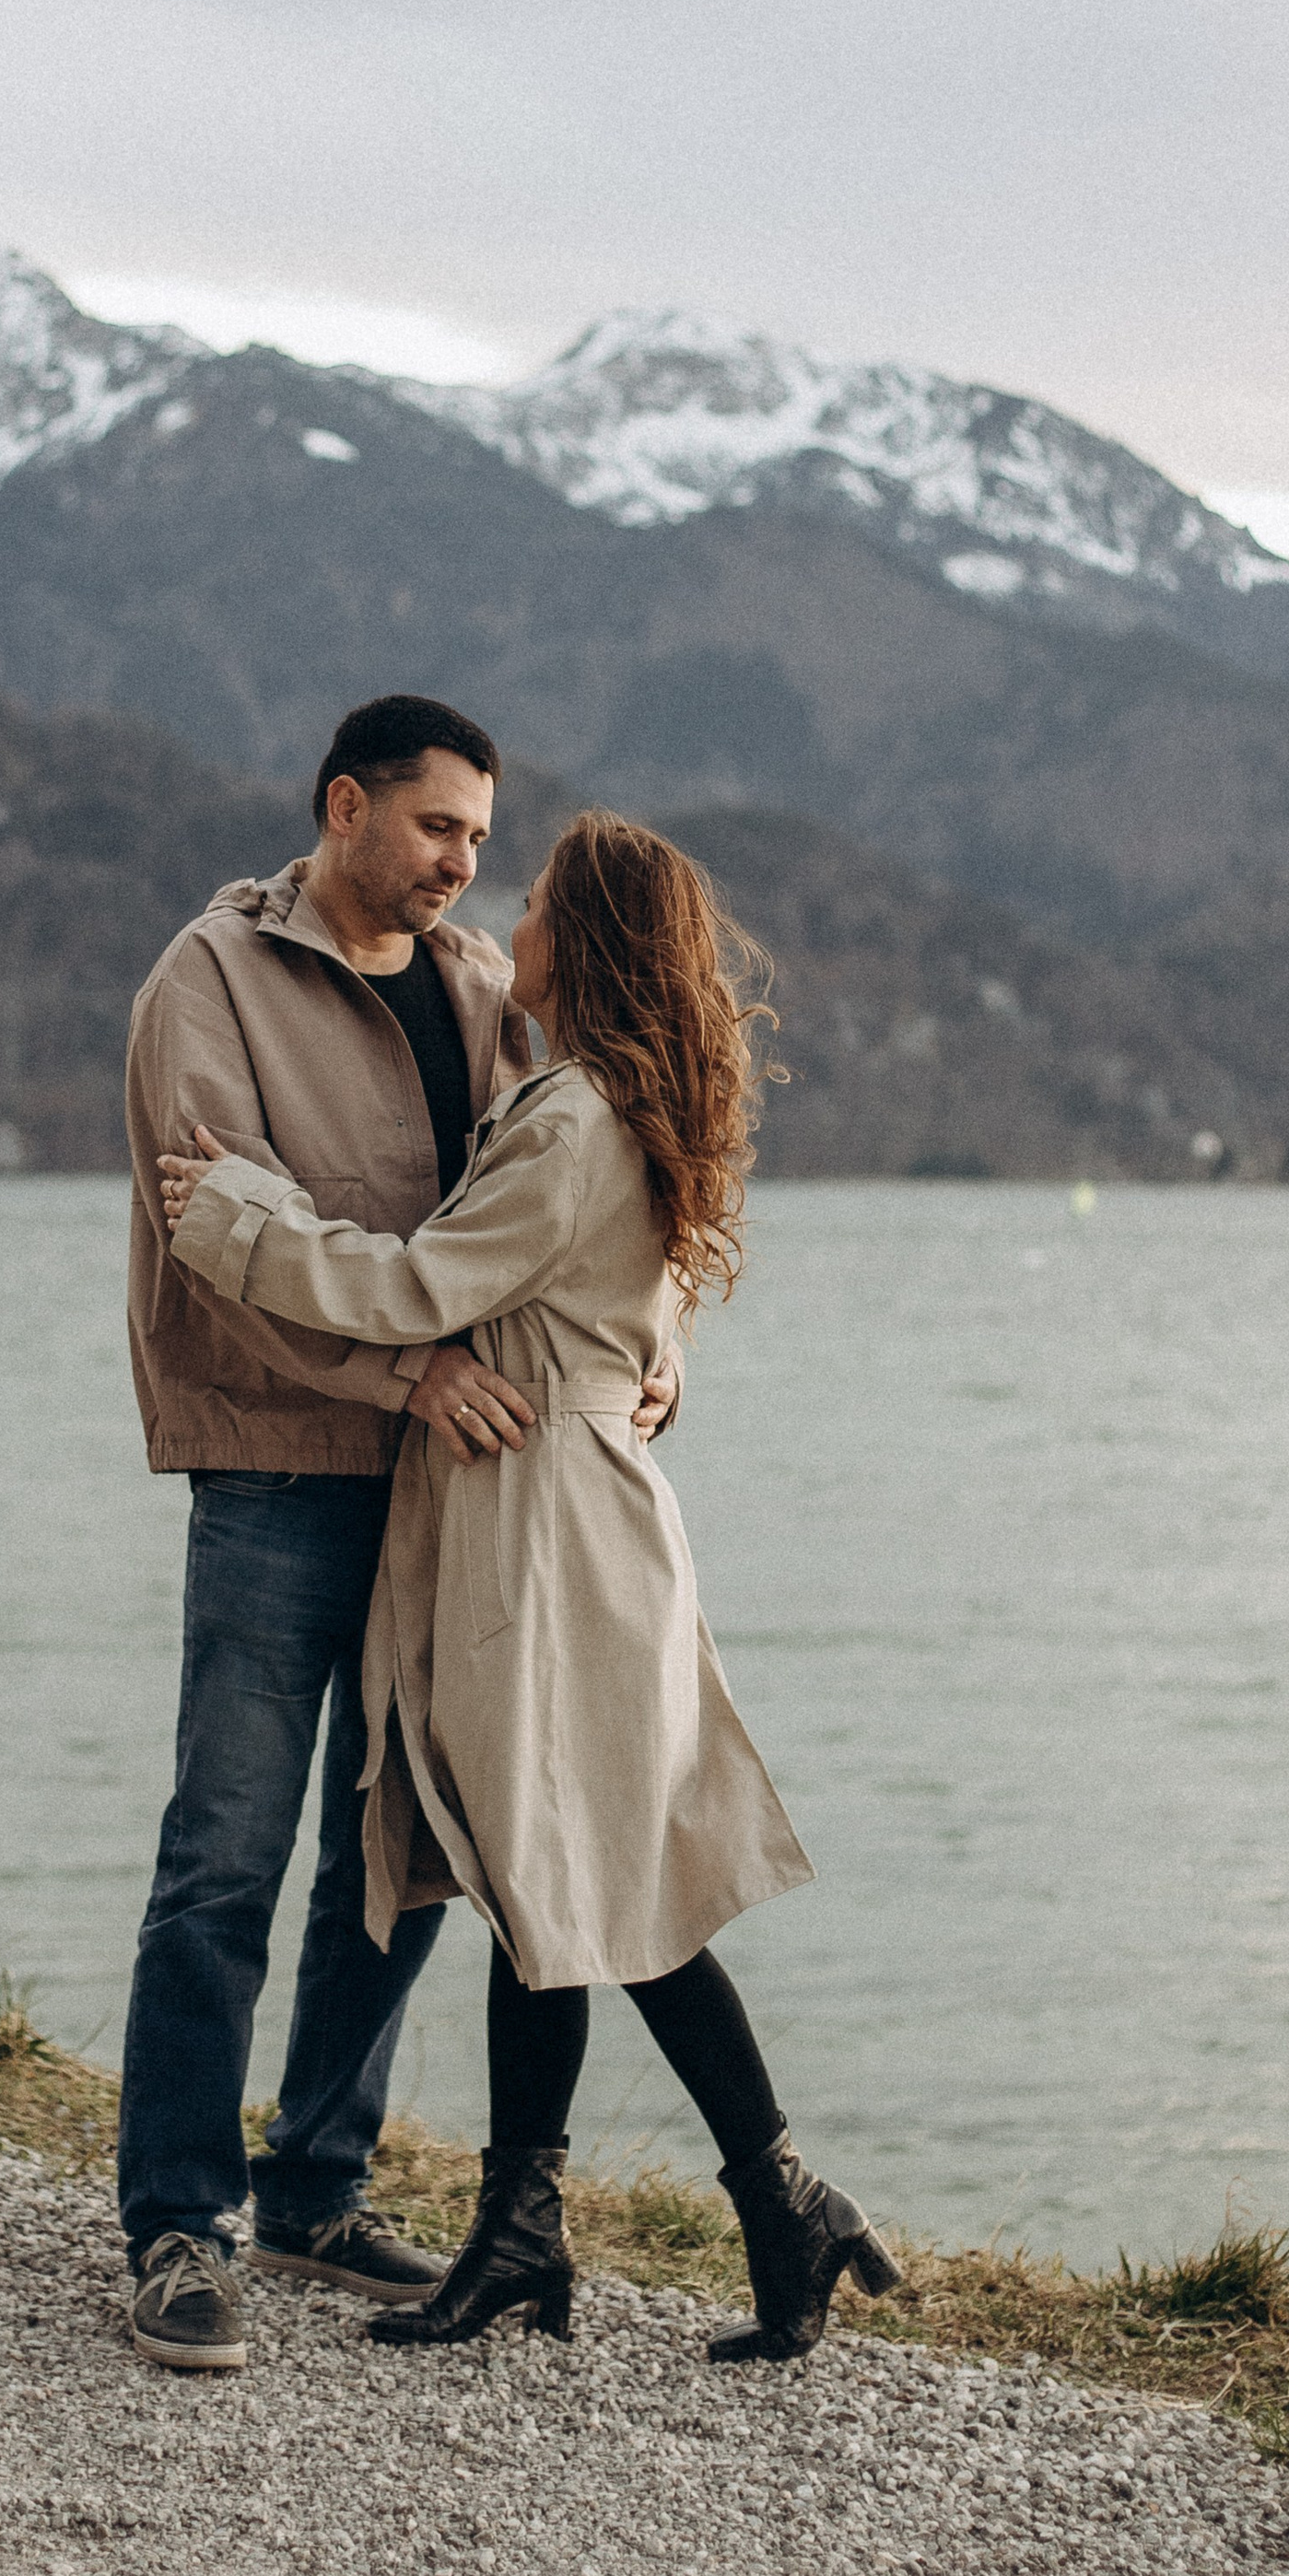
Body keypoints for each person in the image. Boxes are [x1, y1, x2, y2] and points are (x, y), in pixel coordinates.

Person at [159, 810, 899, 2364]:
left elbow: (414, 1285)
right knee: (554, 1879)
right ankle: (602, 2218)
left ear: (593, 939)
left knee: (568, 1878)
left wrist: (233, 1219)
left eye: (541, 894)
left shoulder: (569, 1119)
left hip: (547, 1523)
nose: (515, 913)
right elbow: (608, 1291)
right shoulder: (611, 1100)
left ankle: (716, 2201)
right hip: (561, 1509)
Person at [117, 699, 677, 2373]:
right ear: (344, 806)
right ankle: (176, 2222)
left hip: (460, 1486)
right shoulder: (204, 986)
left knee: (408, 1843)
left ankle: (317, 2180)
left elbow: (593, 1184)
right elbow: (220, 1238)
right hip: (285, 1466)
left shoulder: (487, 990)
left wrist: (657, 1346)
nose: (462, 868)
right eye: (437, 830)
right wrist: (408, 1372)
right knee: (228, 1845)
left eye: (481, 842)